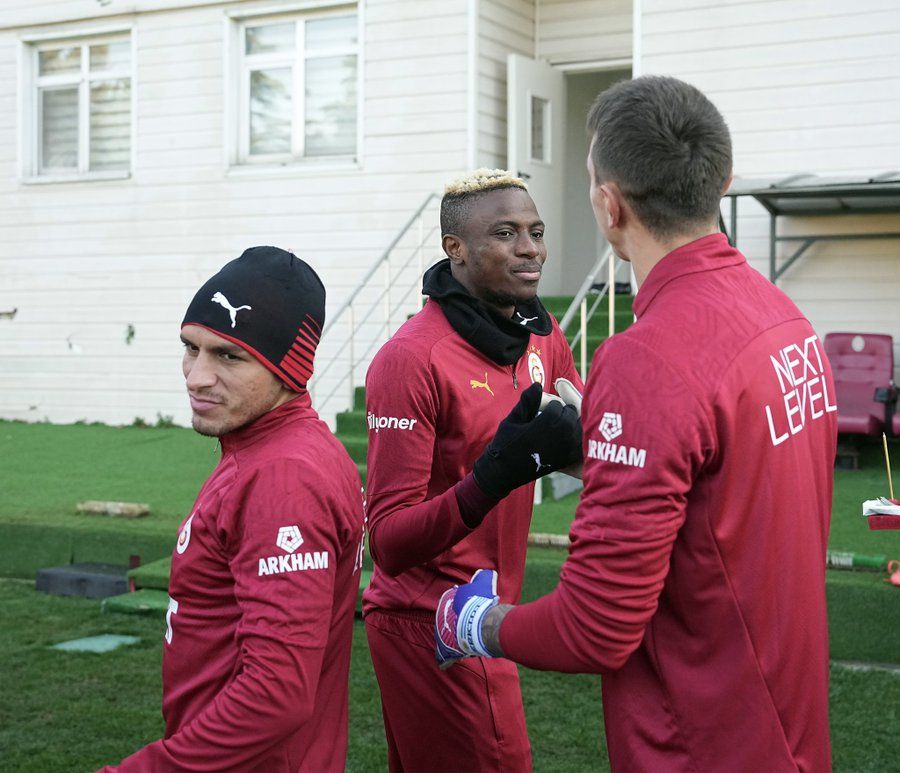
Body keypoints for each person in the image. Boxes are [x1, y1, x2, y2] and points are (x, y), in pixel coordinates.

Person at [436, 77, 837, 772]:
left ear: (609, 203)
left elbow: (595, 627)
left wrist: (475, 621)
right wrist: (609, 457)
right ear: (722, 183)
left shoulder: (648, 356)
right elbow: (727, 493)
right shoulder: (785, 317)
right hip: (789, 728)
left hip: (702, 740)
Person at [102, 246, 366, 772]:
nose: (196, 377)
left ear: (289, 369)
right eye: (190, 348)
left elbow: (277, 694)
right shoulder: (271, 450)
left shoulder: (283, 476)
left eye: (228, 355)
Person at [362, 169, 583, 771]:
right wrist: (492, 477)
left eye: (536, 232)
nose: (530, 248)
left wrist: (586, 447)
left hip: (490, 614)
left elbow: (580, 443)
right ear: (454, 248)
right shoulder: (410, 360)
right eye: (506, 233)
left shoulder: (541, 335)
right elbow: (387, 544)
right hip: (429, 618)